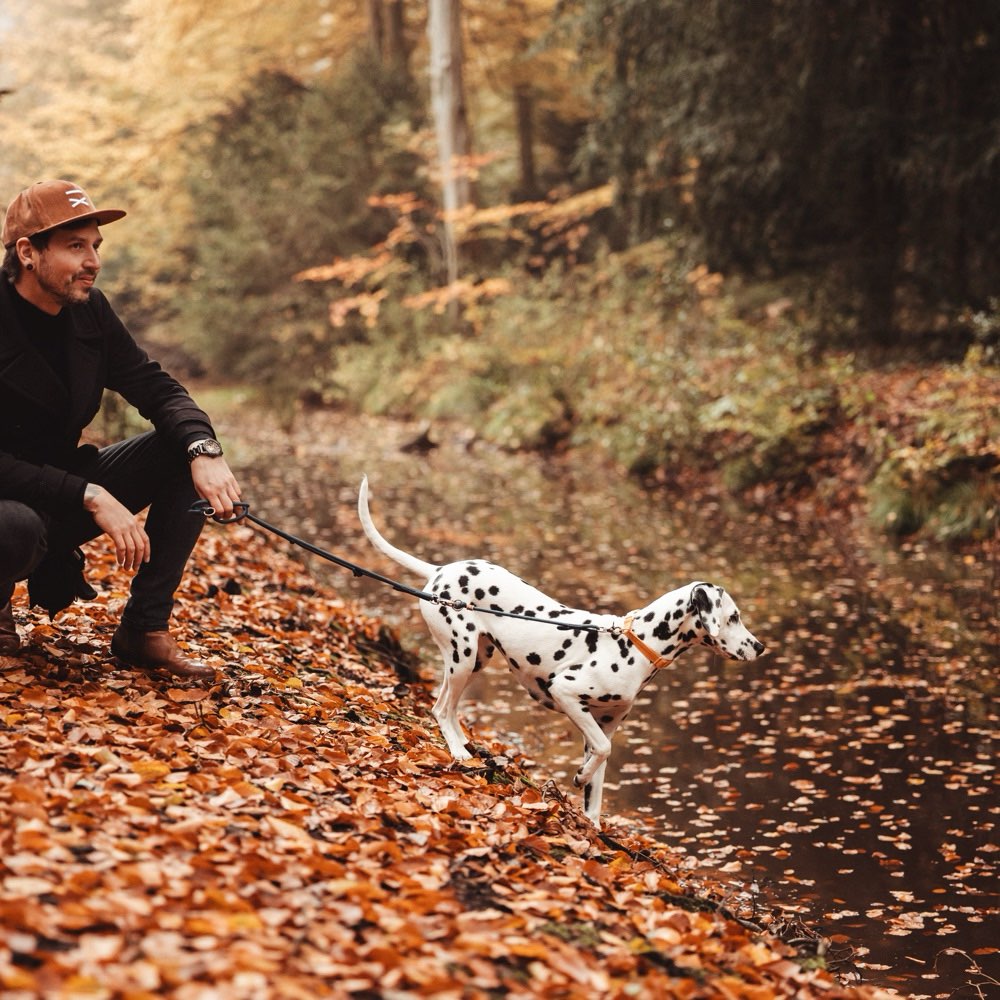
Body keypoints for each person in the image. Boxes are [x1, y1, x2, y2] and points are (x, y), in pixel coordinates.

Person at [0, 179, 242, 679]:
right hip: (11, 502)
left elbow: (155, 386)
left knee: (179, 449)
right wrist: (88, 494)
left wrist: (203, 448)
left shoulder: (89, 312)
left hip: (55, 490)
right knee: (14, 526)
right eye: (75, 246)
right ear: (27, 252)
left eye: (96, 246)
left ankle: (143, 630)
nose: (93, 261)